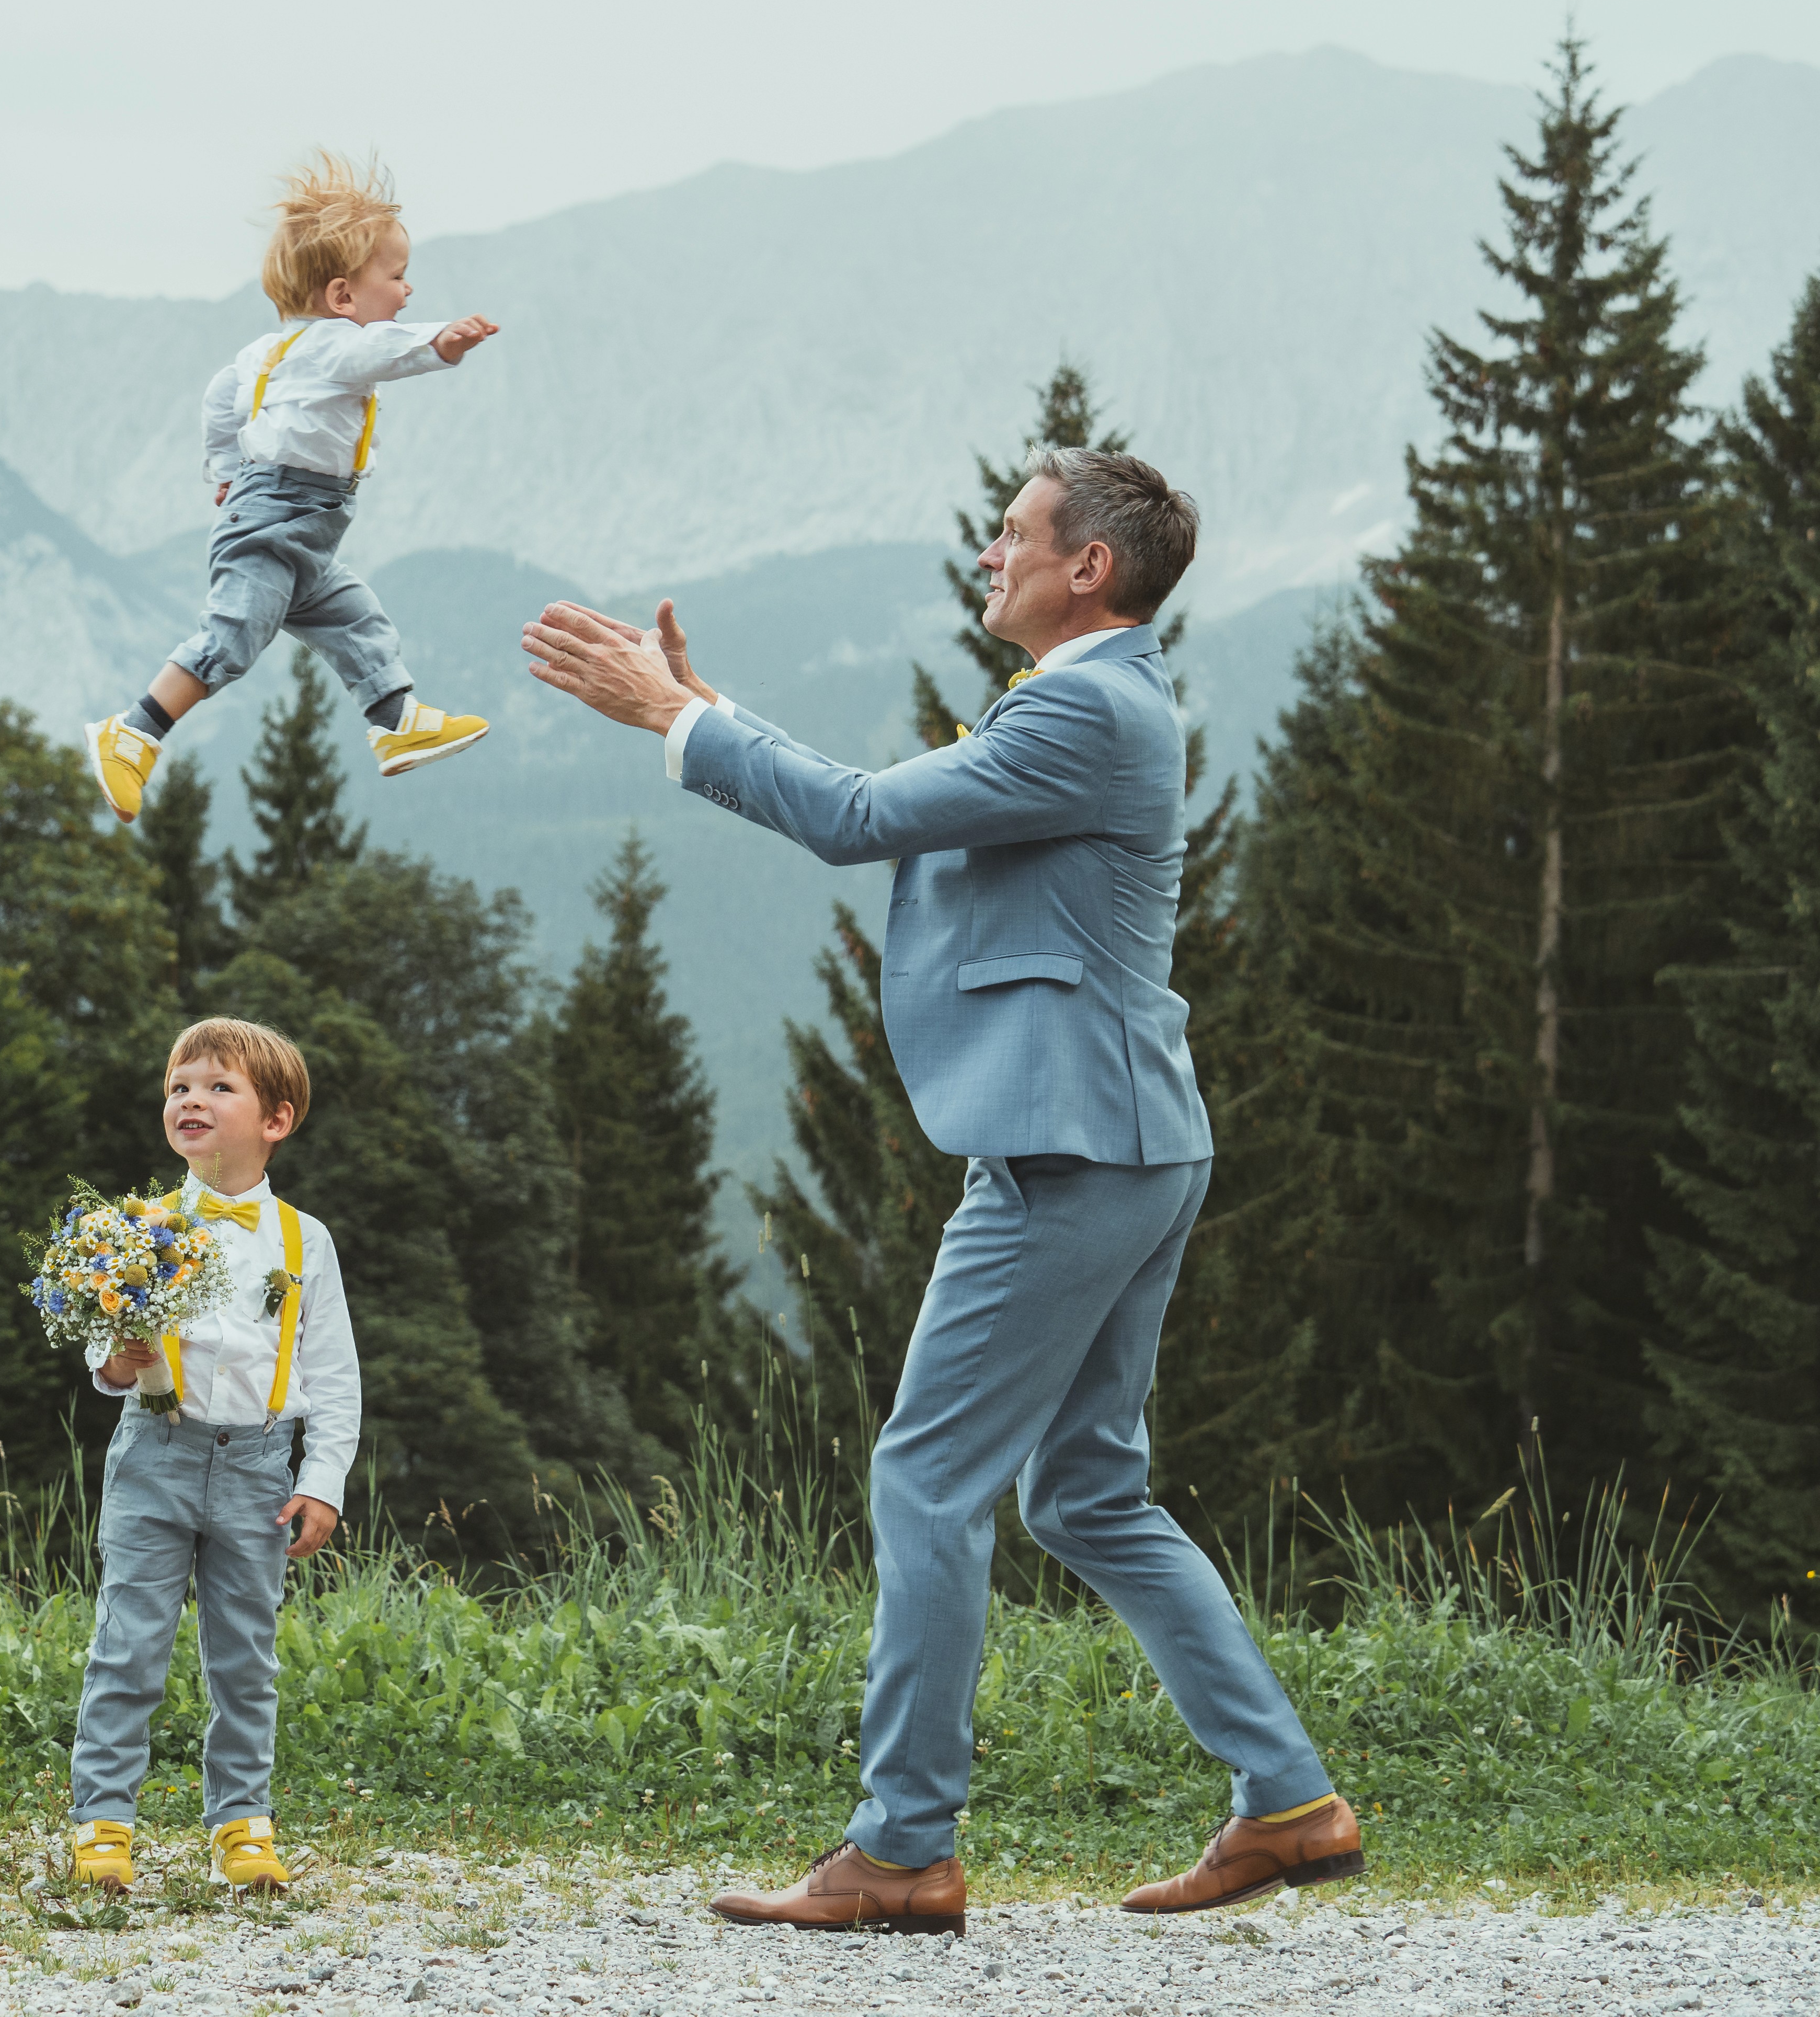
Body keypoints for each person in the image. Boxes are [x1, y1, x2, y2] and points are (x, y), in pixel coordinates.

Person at [522, 449, 1359, 1931]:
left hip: (1069, 1150)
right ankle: (1286, 1800)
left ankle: (904, 1847)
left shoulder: (1091, 708)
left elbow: (851, 821)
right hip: (1134, 1137)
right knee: (1089, 1494)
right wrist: (704, 712)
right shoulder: (1093, 704)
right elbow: (881, 803)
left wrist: (676, 720)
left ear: (1087, 567)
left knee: (929, 1479)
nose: (989, 551)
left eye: (1014, 533)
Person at [84, 151, 500, 824]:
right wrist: (441, 343)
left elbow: (221, 401)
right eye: (397, 279)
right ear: (341, 298)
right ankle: (133, 733)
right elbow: (380, 351)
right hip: (279, 517)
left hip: (299, 523)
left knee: (354, 617)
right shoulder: (335, 345)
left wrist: (223, 470)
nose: (407, 293)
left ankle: (398, 722)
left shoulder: (265, 354)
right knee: (234, 635)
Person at [66, 1018, 363, 1894]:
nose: (190, 1100)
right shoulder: (141, 1227)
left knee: (246, 1657)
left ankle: (242, 1825)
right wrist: (114, 1362)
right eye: (178, 1088)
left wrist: (323, 1484)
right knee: (129, 1645)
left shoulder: (308, 1243)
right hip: (154, 1457)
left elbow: (334, 1378)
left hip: (259, 1473)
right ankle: (103, 1825)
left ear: (278, 1118)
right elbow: (108, 1357)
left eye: (216, 1087)